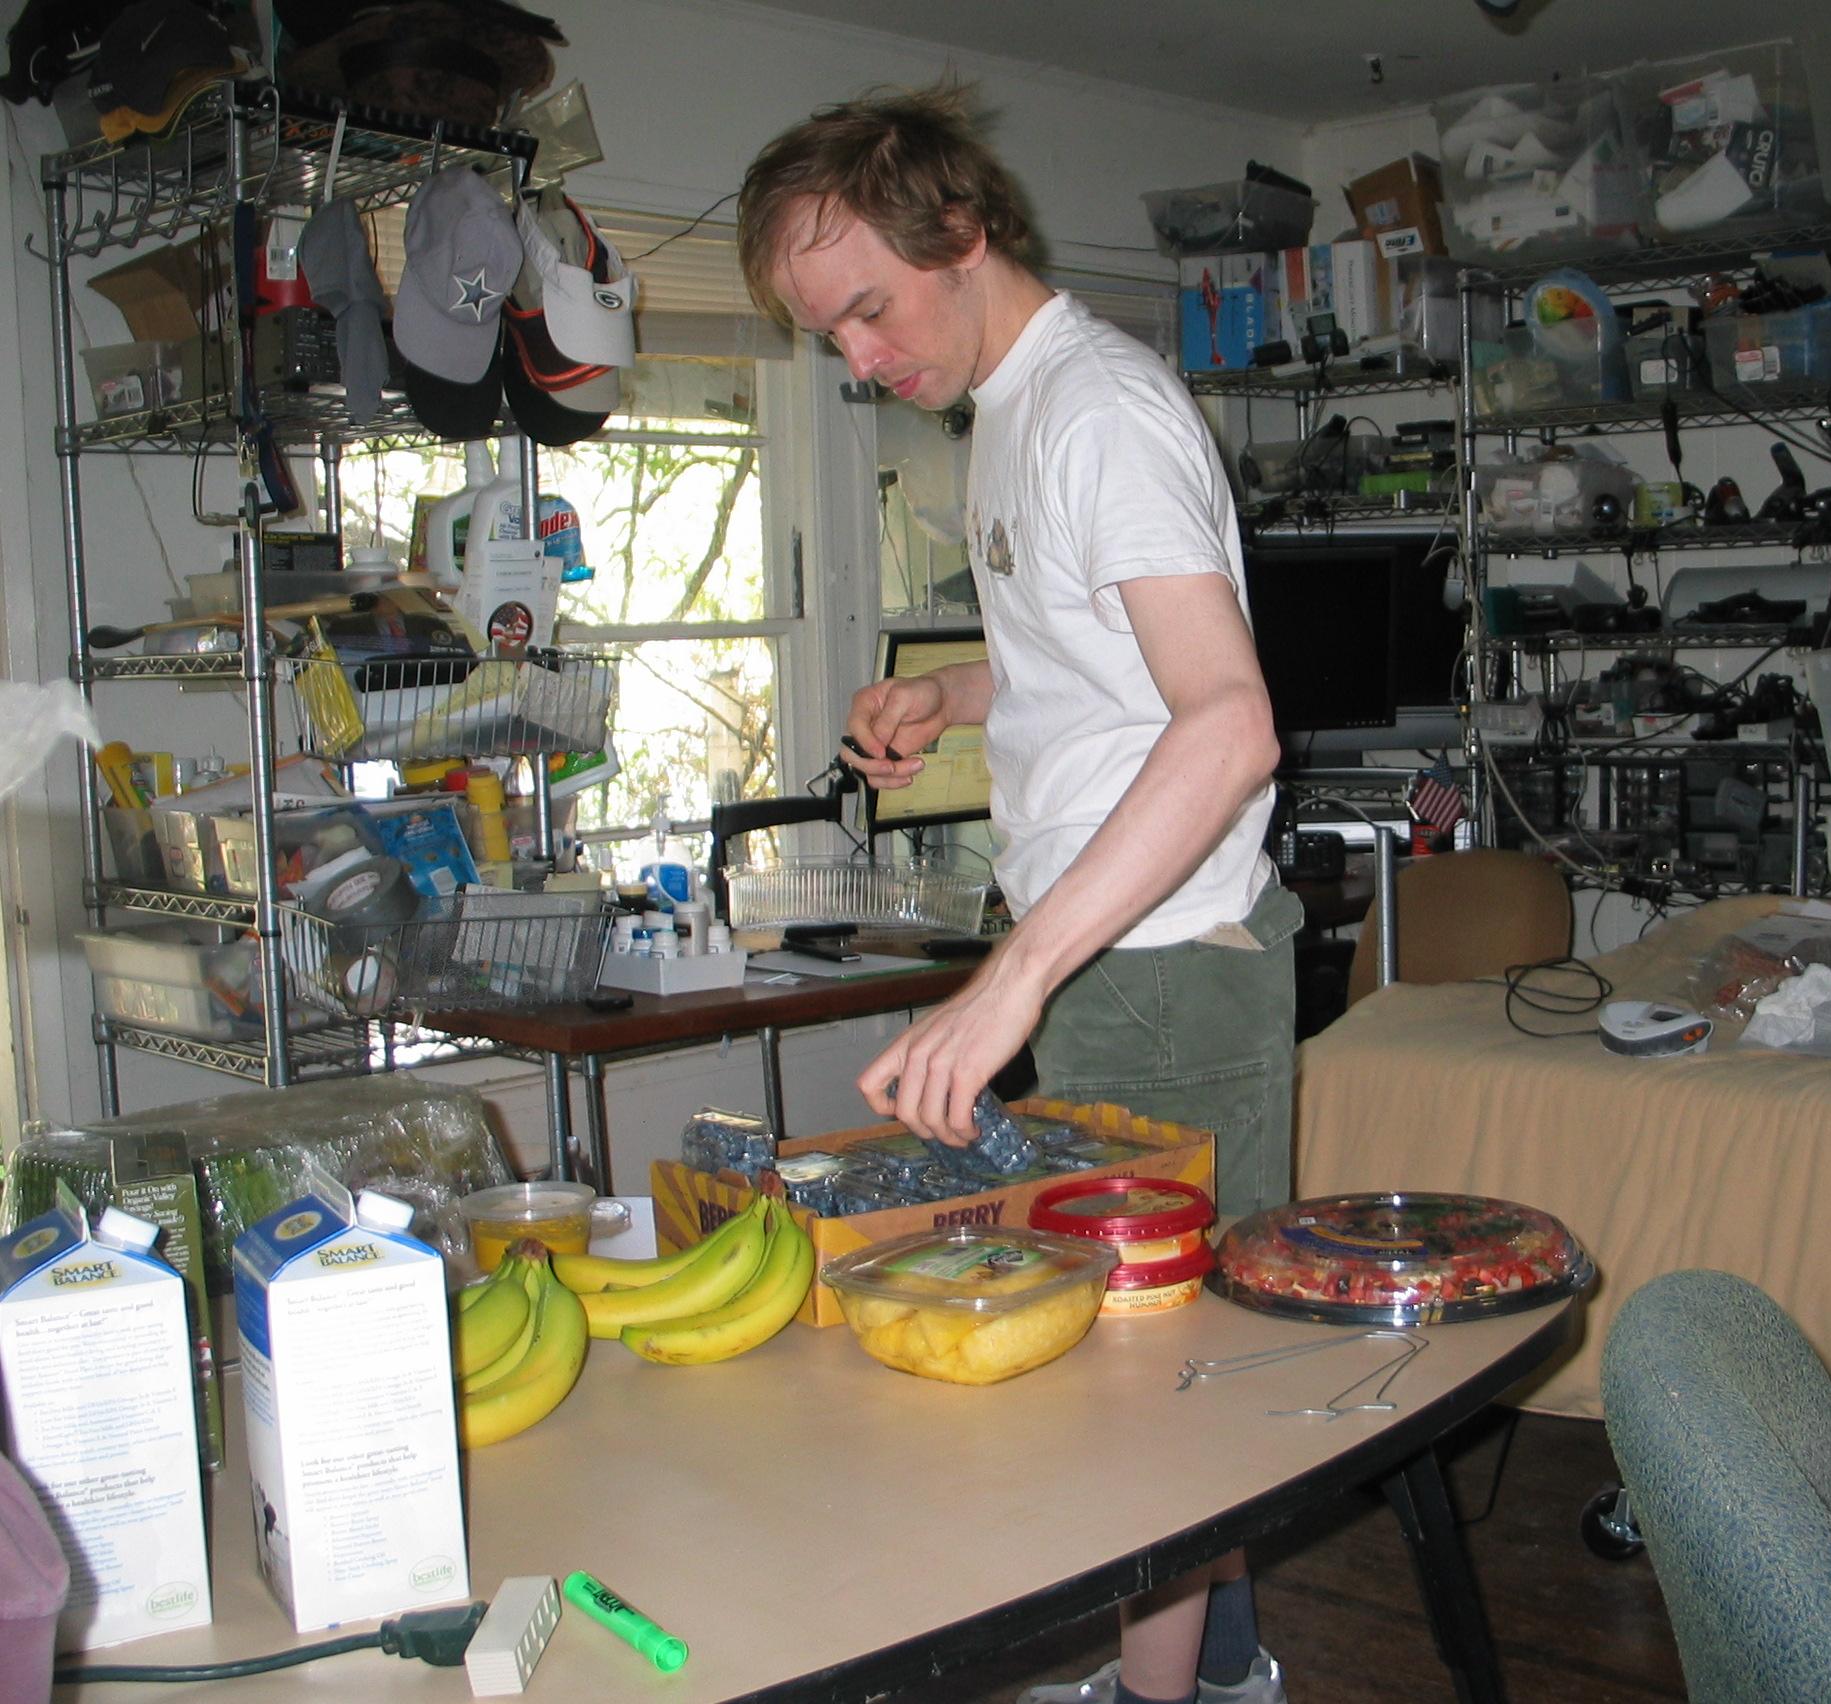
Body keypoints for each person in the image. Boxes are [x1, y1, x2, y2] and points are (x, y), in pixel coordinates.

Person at [739, 85, 1300, 1704]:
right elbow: (1103, 663)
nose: (855, 358)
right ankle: (1206, 1671)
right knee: (1152, 1371)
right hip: (1116, 957)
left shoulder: (1096, 411)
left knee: (1161, 1383)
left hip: (1166, 963)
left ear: (961, 235)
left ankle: (1172, 1690)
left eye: (866, 308)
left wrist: (1013, 982)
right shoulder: (1011, 414)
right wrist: (961, 698)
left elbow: (1230, 720)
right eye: (821, 333)